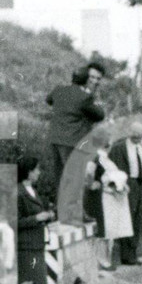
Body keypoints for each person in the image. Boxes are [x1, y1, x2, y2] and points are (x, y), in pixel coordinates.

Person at [46, 63, 105, 200]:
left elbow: (49, 100)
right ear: (85, 80)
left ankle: (61, 213)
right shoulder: (85, 97)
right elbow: (99, 115)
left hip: (55, 140)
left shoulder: (59, 90)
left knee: (60, 179)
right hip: (73, 143)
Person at [83, 125, 134, 269]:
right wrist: (91, 184)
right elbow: (89, 172)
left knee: (108, 230)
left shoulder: (104, 158)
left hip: (108, 197)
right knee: (103, 229)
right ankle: (102, 261)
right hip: (100, 198)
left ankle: (106, 260)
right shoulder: (96, 156)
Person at [16, 154, 55, 284]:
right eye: (36, 169)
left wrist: (46, 216)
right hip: (26, 245)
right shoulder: (18, 192)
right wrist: (36, 218)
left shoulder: (31, 190)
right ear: (28, 171)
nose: (39, 173)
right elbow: (14, 221)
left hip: (36, 242)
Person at [108, 121, 142, 265]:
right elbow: (112, 167)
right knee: (127, 217)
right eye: (135, 134)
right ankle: (126, 255)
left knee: (138, 218)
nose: (137, 137)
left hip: (141, 183)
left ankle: (133, 253)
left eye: (140, 134)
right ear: (129, 132)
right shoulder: (119, 147)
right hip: (127, 184)